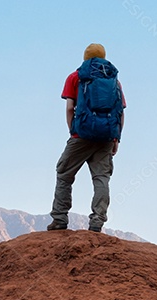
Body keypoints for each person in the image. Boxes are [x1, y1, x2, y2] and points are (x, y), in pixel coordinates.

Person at [47, 43, 125, 233]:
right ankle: (97, 220)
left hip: (80, 135)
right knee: (101, 178)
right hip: (107, 136)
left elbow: (69, 108)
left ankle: (60, 218)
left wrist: (73, 131)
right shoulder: (114, 81)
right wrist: (116, 139)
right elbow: (121, 113)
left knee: (64, 173)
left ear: (85, 57)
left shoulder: (76, 76)